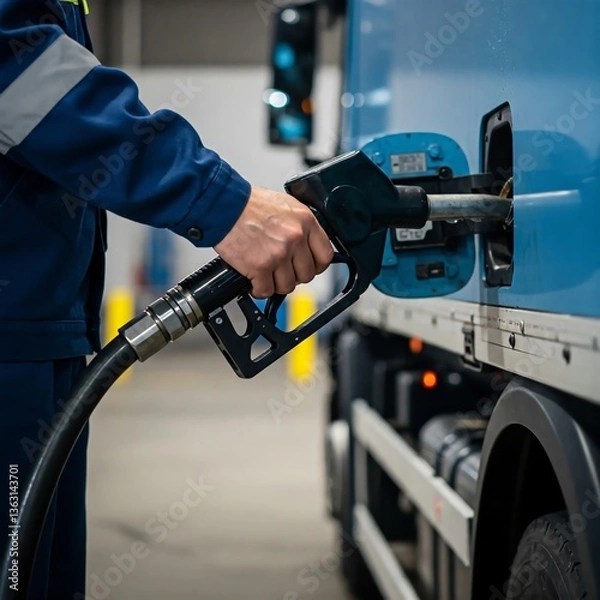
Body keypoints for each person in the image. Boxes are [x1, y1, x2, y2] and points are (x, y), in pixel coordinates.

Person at [0, 1, 333, 598]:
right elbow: (15, 65)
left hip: (41, 325)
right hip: (14, 331)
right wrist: (219, 202)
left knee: (36, 579)